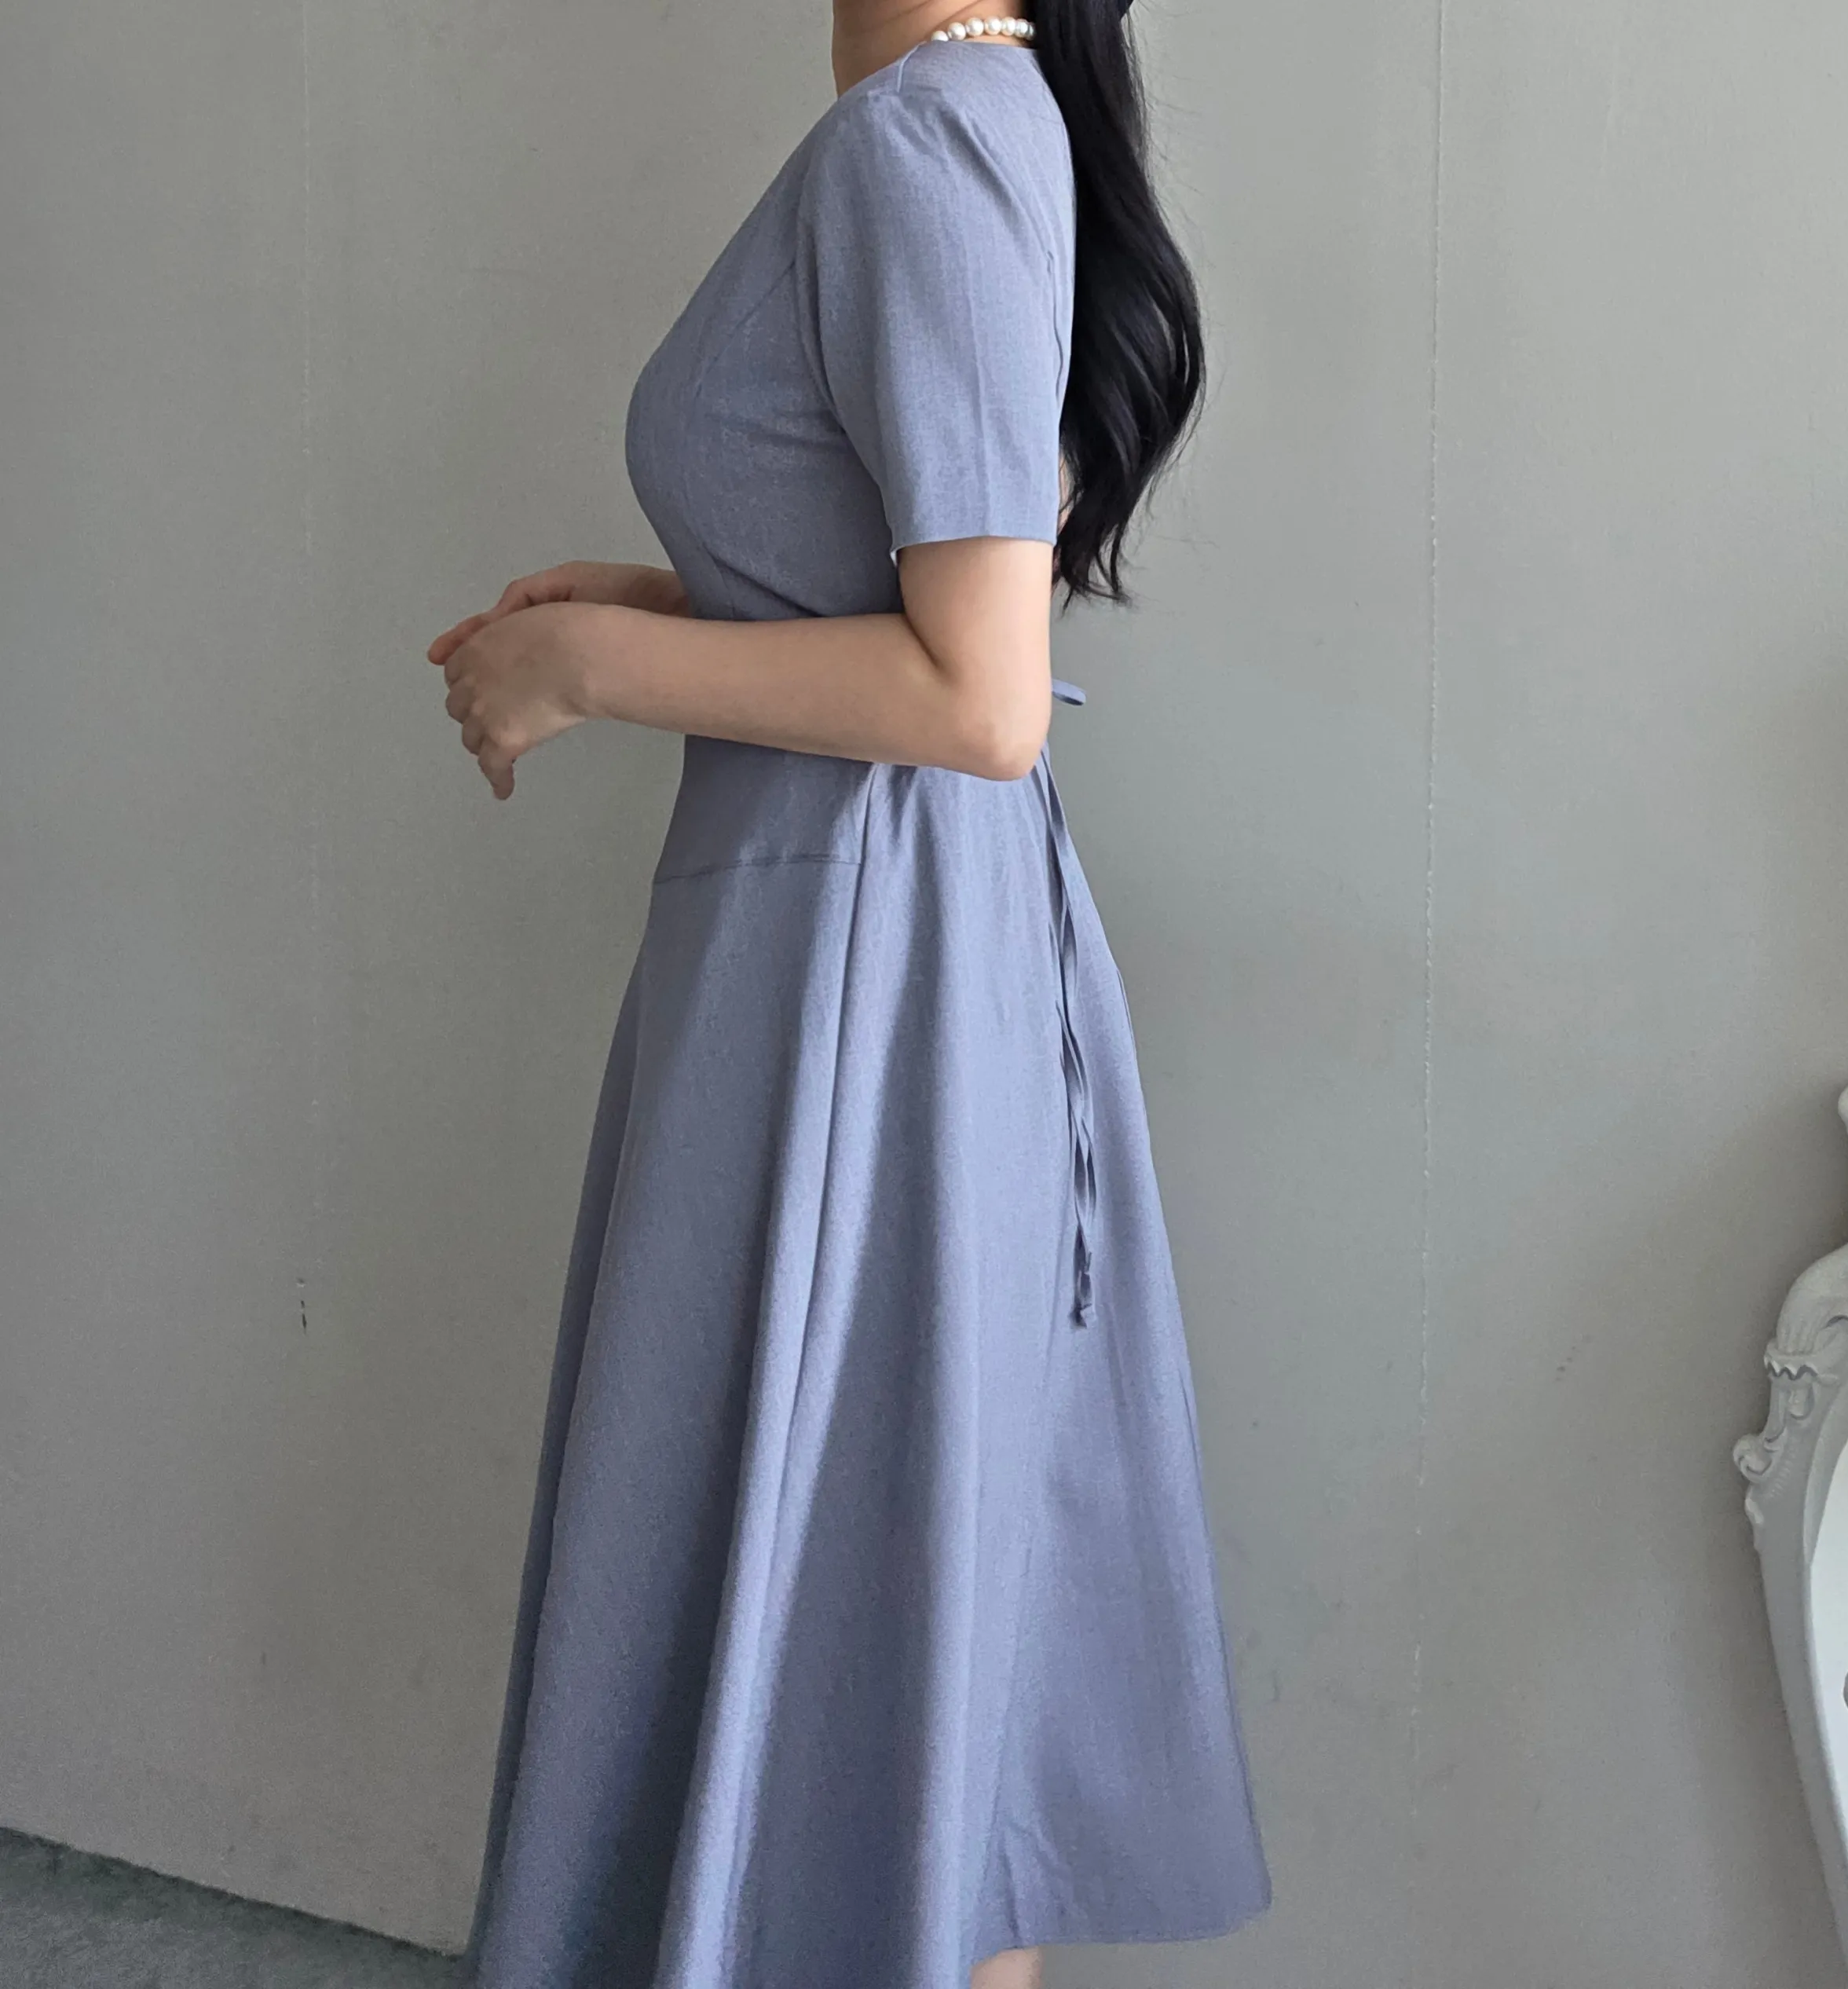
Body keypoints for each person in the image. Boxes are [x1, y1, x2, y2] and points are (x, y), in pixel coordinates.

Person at [426, 4, 1271, 1984]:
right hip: (885, 941)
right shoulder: (980, 113)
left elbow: (977, 696)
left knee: (857, 1599)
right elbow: (932, 605)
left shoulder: (929, 137)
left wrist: (590, 673)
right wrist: (662, 599)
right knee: (909, 1642)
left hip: (856, 977)